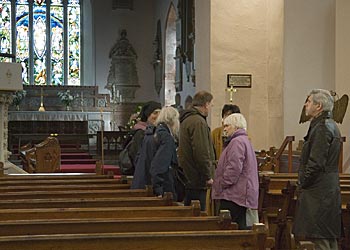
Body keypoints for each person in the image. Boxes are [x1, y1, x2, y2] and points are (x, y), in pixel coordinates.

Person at [292, 89, 342, 250]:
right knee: (326, 237)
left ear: (318, 106)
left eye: (309, 101)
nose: (306, 104)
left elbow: (315, 163)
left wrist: (303, 182)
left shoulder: (322, 128)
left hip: (318, 192)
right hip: (326, 189)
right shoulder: (330, 125)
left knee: (320, 240)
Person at [211, 113, 259, 229]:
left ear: (237, 127)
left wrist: (221, 184)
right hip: (239, 194)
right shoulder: (243, 140)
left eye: (227, 126)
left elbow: (233, 169)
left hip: (234, 195)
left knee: (230, 230)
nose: (225, 129)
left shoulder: (237, 142)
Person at [178, 90, 215, 211]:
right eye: (211, 105)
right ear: (205, 104)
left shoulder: (187, 119)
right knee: (199, 214)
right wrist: (207, 175)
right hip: (198, 179)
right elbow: (201, 152)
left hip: (189, 176)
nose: (210, 108)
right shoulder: (198, 122)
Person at [132, 106, 179, 197]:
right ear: (173, 121)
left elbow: (138, 158)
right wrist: (159, 191)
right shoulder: (166, 137)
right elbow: (159, 166)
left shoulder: (149, 134)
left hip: (141, 183)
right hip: (156, 189)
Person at [128, 101, 161, 165]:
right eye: (155, 113)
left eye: (160, 113)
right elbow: (137, 157)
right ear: (147, 115)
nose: (158, 116)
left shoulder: (156, 131)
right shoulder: (140, 132)